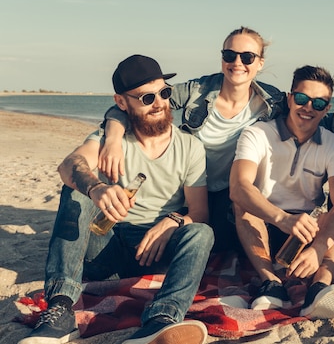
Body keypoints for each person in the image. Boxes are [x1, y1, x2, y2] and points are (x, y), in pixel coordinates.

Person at [99, 26, 334, 253]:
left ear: (259, 63)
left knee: (220, 243)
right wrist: (112, 137)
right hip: (189, 188)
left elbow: (320, 114)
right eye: (230, 55)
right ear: (222, 58)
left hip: (227, 193)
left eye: (247, 57)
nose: (237, 63)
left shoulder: (272, 100)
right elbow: (145, 102)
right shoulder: (197, 90)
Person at [19, 55, 214, 344]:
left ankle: (161, 320)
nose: (159, 103)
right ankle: (60, 309)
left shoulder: (190, 146)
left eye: (164, 92)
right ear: (121, 103)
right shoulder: (109, 139)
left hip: (154, 250)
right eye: (147, 97)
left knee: (202, 233)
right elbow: (68, 165)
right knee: (76, 189)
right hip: (105, 244)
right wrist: (96, 188)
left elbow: (199, 212)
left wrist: (173, 222)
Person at [229, 65, 334, 319]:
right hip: (265, 218)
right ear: (289, 98)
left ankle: (319, 290)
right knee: (243, 203)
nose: (308, 107)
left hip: (305, 226)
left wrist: (318, 249)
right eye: (301, 98)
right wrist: (282, 219)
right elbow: (239, 187)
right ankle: (271, 283)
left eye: (318, 103)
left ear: (327, 108)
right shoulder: (258, 134)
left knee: (330, 219)